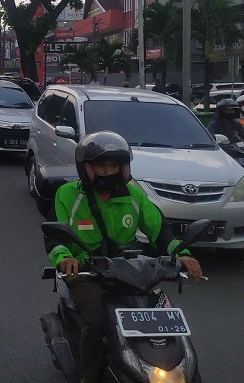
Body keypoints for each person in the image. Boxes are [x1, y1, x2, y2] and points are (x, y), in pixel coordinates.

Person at [45, 131, 203, 383]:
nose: (108, 171)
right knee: (95, 320)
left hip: (127, 268)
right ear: (87, 168)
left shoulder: (134, 195)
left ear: (123, 167)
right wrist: (65, 258)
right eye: (100, 165)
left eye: (113, 165)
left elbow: (160, 231)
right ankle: (89, 376)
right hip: (86, 270)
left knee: (160, 311)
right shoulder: (67, 195)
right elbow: (55, 237)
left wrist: (182, 254)